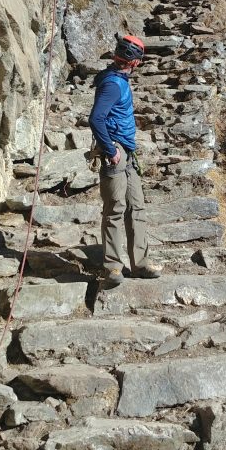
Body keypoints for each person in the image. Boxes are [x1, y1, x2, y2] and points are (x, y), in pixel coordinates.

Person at [88, 34, 162, 287]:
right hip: (116, 151)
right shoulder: (113, 83)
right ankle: (112, 269)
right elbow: (96, 118)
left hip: (126, 152)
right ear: (136, 62)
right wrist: (109, 149)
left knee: (136, 207)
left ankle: (140, 264)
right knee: (115, 209)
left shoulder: (117, 80)